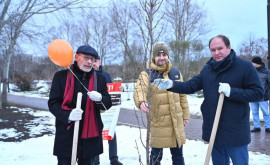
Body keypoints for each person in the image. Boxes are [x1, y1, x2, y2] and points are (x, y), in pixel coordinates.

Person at [153, 35, 264, 165]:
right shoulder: (208, 68)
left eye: (220, 48)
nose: (216, 53)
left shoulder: (244, 67)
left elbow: (258, 93)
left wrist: (231, 91)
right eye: (213, 50)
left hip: (236, 131)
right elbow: (191, 85)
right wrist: (172, 84)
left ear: (229, 47)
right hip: (214, 130)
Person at [48, 45, 112, 165]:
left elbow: (106, 104)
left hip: (90, 137)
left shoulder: (100, 79)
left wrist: (100, 99)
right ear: (76, 57)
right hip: (67, 135)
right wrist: (68, 114)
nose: (89, 62)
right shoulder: (60, 77)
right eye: (86, 58)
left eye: (92, 59)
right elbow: (53, 103)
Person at [133, 43, 190, 165]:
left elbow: (182, 96)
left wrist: (185, 115)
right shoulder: (147, 74)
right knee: (155, 157)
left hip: (176, 122)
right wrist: (142, 101)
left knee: (178, 156)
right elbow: (139, 90)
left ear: (168, 56)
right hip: (158, 123)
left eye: (164, 55)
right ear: (154, 57)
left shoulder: (175, 73)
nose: (162, 57)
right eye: (159, 55)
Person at [92, 56, 123, 165]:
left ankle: (114, 159)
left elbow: (112, 92)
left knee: (111, 133)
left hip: (107, 111)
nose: (93, 63)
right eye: (91, 61)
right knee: (96, 135)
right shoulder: (87, 76)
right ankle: (95, 161)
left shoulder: (106, 75)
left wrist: (119, 90)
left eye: (95, 61)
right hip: (93, 111)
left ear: (99, 62)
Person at [250, 56, 270, 133]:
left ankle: (268, 127)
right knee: (254, 112)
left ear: (257, 63)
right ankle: (256, 127)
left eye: (253, 62)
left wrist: (266, 92)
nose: (251, 63)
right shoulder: (251, 71)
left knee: (265, 112)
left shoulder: (267, 72)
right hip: (253, 96)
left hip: (263, 96)